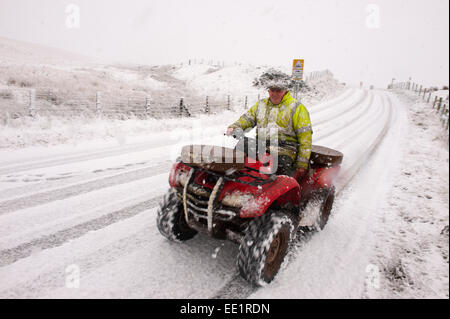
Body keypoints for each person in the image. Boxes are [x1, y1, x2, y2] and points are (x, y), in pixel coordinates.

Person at [226, 69, 312, 180]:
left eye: (279, 90)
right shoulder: (261, 105)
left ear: (285, 91)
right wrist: (236, 126)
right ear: (268, 91)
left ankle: (284, 191)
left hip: (285, 148)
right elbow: (248, 118)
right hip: (261, 143)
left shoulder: (297, 108)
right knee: (242, 146)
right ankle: (234, 181)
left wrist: (302, 163)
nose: (275, 94)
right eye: (272, 90)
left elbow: (305, 137)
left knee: (280, 164)